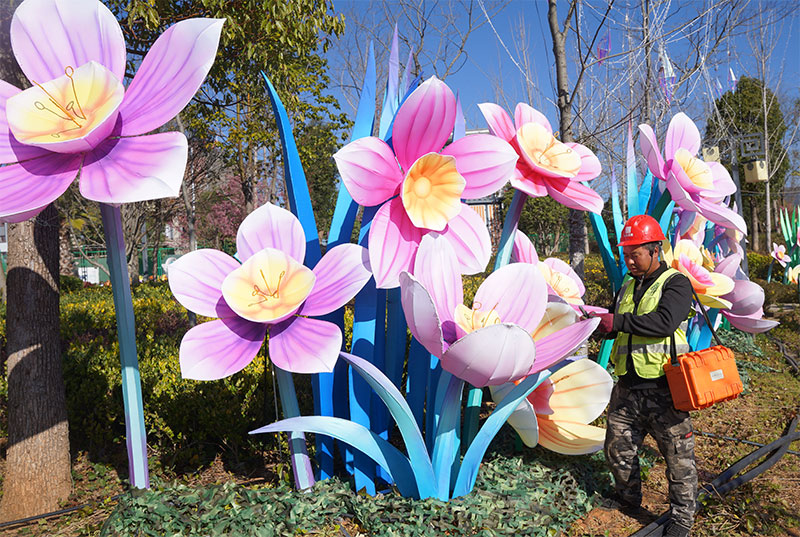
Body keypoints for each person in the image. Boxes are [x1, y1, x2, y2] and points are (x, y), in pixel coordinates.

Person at [593, 214, 697, 537]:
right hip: (627, 387)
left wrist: (618, 322)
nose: (629, 260)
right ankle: (628, 499)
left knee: (677, 456)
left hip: (664, 388)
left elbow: (663, 323)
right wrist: (597, 326)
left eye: (635, 253)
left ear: (655, 250)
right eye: (625, 254)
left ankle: (682, 517)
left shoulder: (676, 284)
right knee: (617, 446)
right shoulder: (626, 285)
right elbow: (617, 324)